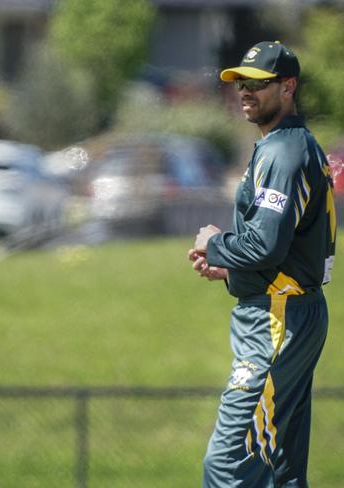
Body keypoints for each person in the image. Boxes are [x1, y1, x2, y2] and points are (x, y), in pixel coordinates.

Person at [189, 41, 336, 487]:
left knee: (228, 467)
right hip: (291, 307)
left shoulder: (283, 153)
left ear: (288, 87)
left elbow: (266, 245)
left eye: (258, 83)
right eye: (241, 83)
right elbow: (285, 249)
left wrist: (216, 245)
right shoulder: (290, 145)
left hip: (277, 320)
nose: (245, 92)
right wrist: (234, 271)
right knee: (281, 469)